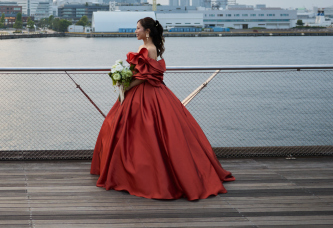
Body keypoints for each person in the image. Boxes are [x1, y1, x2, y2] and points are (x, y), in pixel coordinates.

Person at [91, 17, 234, 200]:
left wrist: (125, 85)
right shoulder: (151, 48)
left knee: (133, 132)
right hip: (151, 92)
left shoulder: (147, 49)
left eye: (138, 28)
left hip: (144, 94)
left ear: (147, 31)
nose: (135, 31)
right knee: (149, 132)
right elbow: (145, 74)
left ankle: (139, 175)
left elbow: (144, 77)